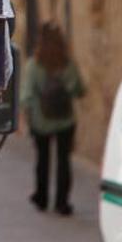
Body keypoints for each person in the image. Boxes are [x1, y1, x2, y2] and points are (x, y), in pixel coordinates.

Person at [19, 22, 86, 215]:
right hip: (65, 120)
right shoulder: (67, 64)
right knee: (64, 161)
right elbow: (79, 90)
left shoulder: (34, 65)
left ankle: (41, 198)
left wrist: (28, 117)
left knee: (42, 159)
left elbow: (27, 96)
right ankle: (62, 202)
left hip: (41, 120)